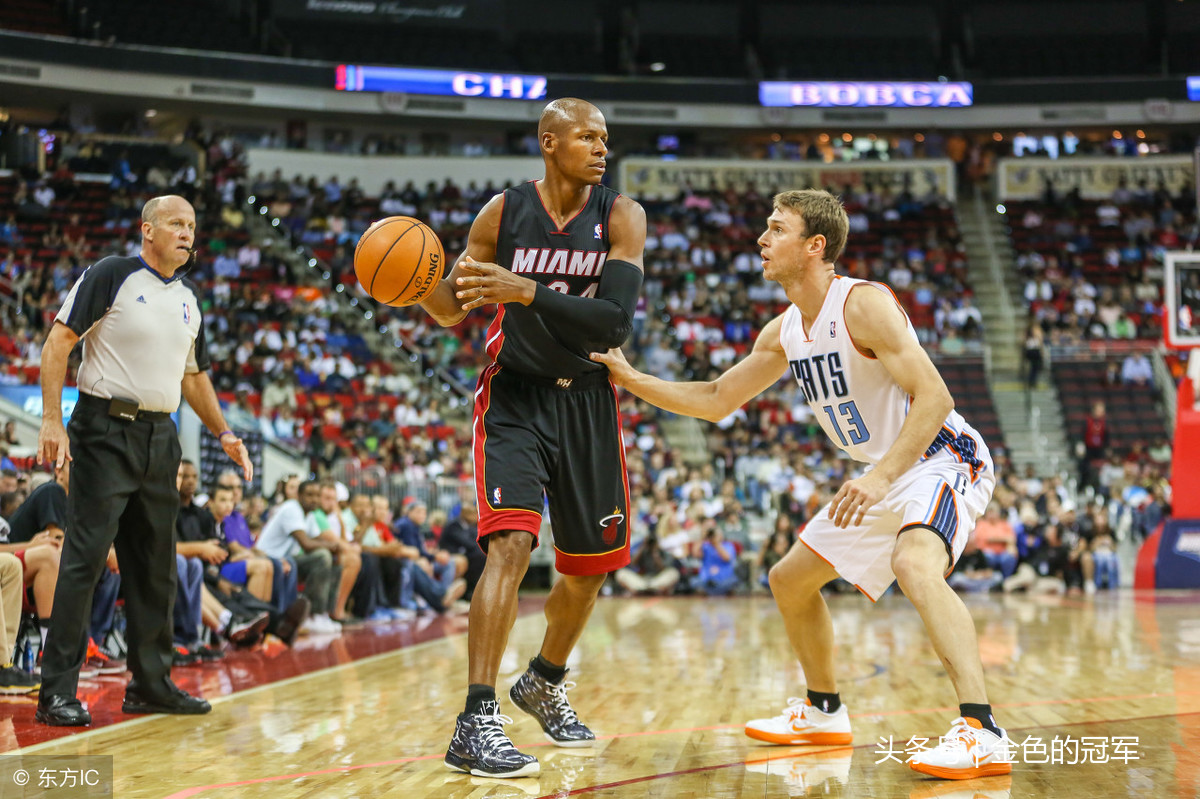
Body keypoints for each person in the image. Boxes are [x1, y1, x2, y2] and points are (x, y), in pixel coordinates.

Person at [592, 188, 1011, 780]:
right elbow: (716, 400)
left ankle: (982, 731)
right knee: (790, 580)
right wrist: (630, 378)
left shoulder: (862, 305)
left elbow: (935, 397)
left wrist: (884, 475)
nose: (762, 240)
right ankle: (824, 712)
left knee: (916, 564)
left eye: (775, 228)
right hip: (883, 470)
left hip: (942, 456)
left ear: (815, 246)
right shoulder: (785, 330)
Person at [419, 97, 645, 778]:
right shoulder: (502, 212)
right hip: (513, 397)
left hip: (589, 404)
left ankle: (544, 678)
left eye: (605, 138)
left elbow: (613, 323)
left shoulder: (621, 215)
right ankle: (476, 718)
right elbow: (449, 308)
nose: (602, 147)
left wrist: (526, 291)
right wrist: (408, 279)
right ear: (550, 142)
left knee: (589, 568)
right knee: (511, 543)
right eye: (586, 136)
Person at [35, 194, 252, 727]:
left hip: (162, 436)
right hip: (104, 429)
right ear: (147, 230)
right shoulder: (111, 274)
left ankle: (151, 684)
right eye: (176, 223)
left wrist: (224, 432)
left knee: (156, 567)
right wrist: (50, 420)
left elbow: (193, 375)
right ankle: (56, 691)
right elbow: (58, 343)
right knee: (84, 561)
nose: (187, 232)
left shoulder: (189, 298)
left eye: (193, 225)